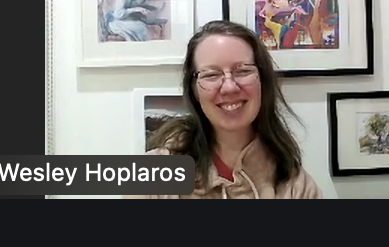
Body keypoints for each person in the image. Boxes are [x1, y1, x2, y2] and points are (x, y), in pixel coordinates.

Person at [136, 20, 323, 198]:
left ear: (262, 82)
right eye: (211, 74)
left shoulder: (298, 188)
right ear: (194, 90)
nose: (229, 87)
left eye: (243, 71)